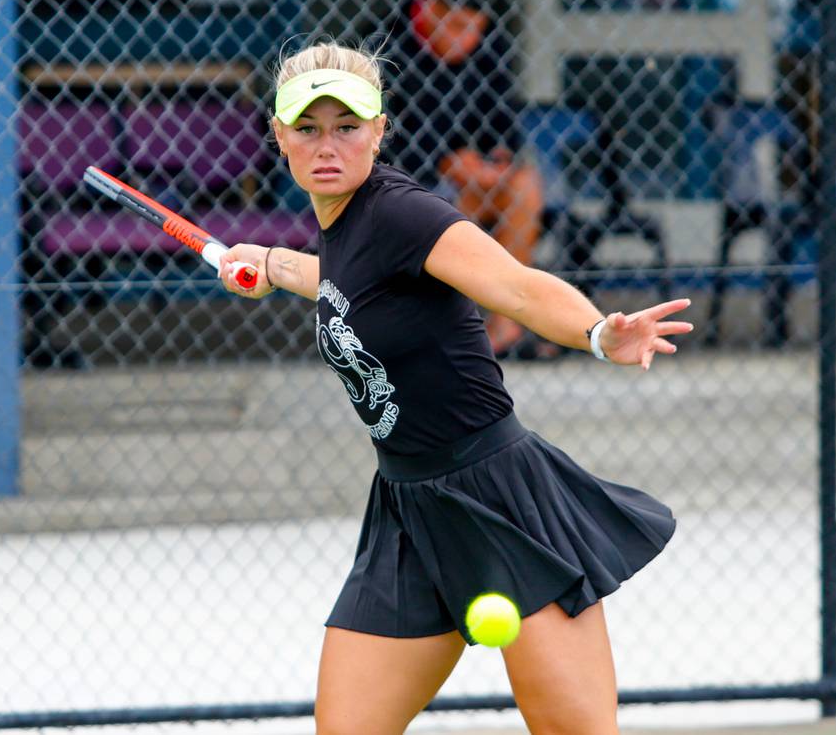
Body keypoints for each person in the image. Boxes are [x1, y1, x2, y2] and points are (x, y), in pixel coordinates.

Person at [217, 42, 691, 733]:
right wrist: (264, 261)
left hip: (501, 501)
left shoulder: (402, 215)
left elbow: (515, 287)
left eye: (347, 127)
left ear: (379, 130)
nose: (328, 145)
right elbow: (341, 279)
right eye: (308, 128)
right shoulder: (343, 229)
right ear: (280, 136)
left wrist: (595, 332)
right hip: (407, 512)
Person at [389, 0, 548, 357]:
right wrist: (444, 162)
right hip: (408, 185)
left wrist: (497, 160)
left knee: (525, 187)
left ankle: (505, 322)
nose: (469, 40)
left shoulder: (487, 44)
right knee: (442, 206)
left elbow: (504, 122)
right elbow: (380, 139)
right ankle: (441, 327)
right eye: (458, 26)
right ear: (429, 11)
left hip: (470, 180)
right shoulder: (387, 44)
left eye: (476, 29)